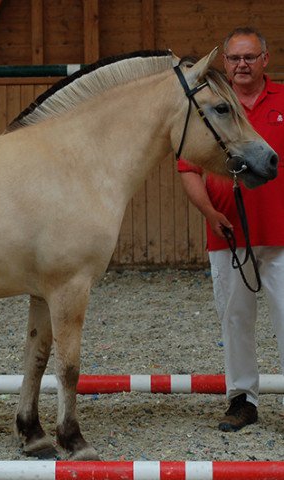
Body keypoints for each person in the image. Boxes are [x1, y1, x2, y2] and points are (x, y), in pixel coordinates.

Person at [178, 27, 284, 432]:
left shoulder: (282, 101)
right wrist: (209, 213)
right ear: (225, 62)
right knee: (235, 319)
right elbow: (188, 169)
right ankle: (242, 399)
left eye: (250, 57)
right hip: (229, 236)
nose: (242, 64)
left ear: (264, 60)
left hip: (280, 235)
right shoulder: (210, 107)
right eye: (235, 58)